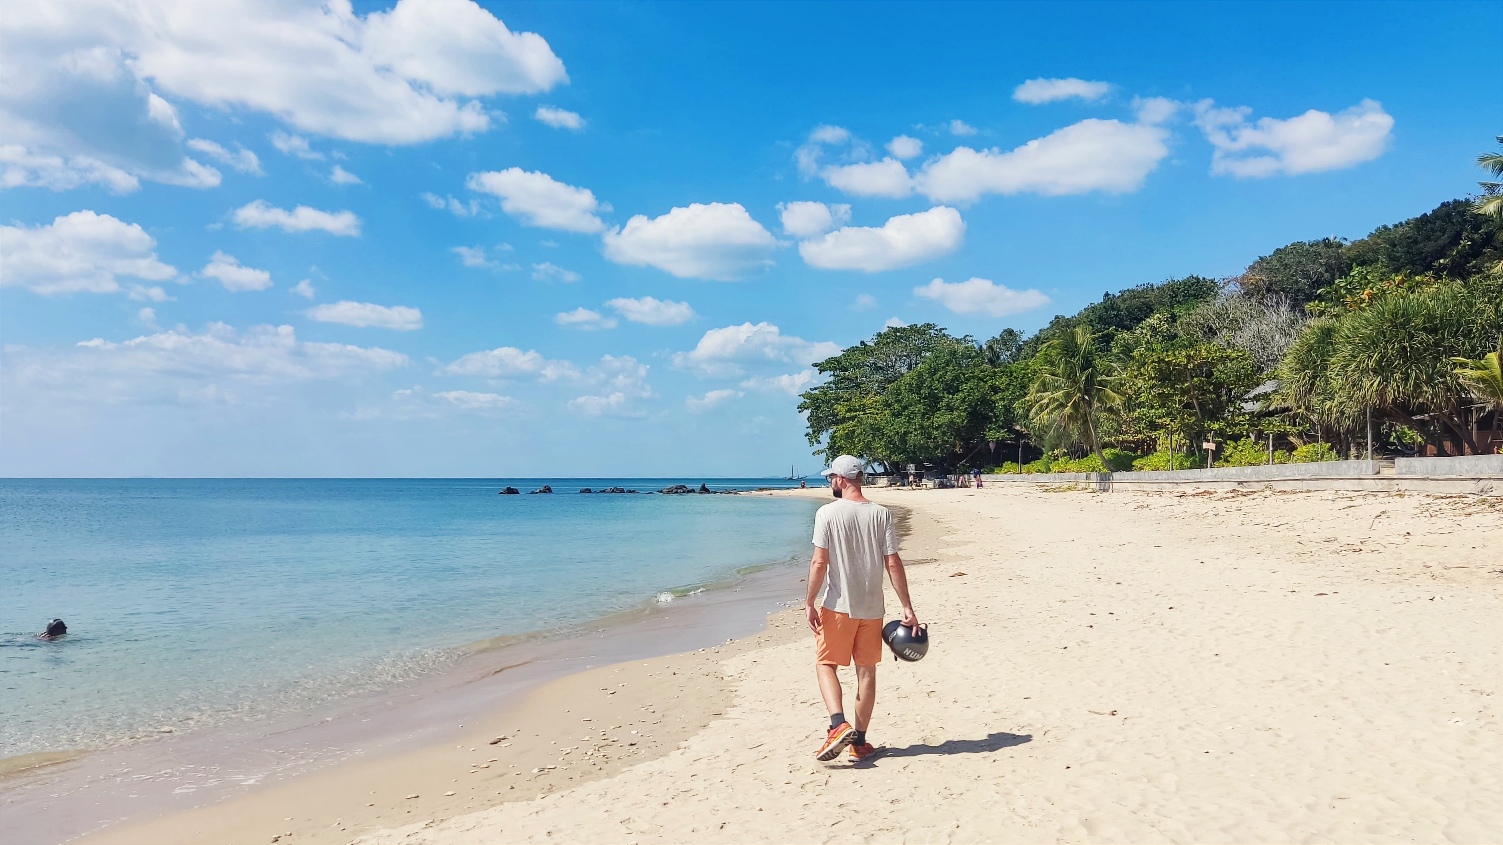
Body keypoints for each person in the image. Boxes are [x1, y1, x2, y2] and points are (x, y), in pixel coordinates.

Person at [805, 454, 920, 763]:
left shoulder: (827, 513)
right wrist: (907, 607)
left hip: (839, 606)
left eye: (831, 477)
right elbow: (892, 562)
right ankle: (860, 742)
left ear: (842, 480)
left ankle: (837, 724)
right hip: (873, 608)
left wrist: (809, 602)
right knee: (866, 672)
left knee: (825, 664)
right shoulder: (881, 514)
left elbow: (819, 562)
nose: (830, 481)